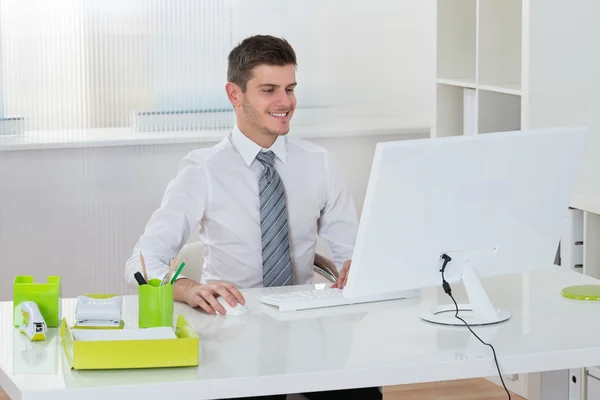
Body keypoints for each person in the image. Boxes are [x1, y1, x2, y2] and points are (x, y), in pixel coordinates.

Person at [125, 34, 381, 400]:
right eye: (269, 90)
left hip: (306, 328)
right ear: (235, 94)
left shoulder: (319, 163)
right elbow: (140, 263)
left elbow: (352, 253)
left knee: (363, 394)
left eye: (290, 88)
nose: (285, 102)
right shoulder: (203, 170)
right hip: (232, 330)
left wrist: (358, 267)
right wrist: (188, 288)